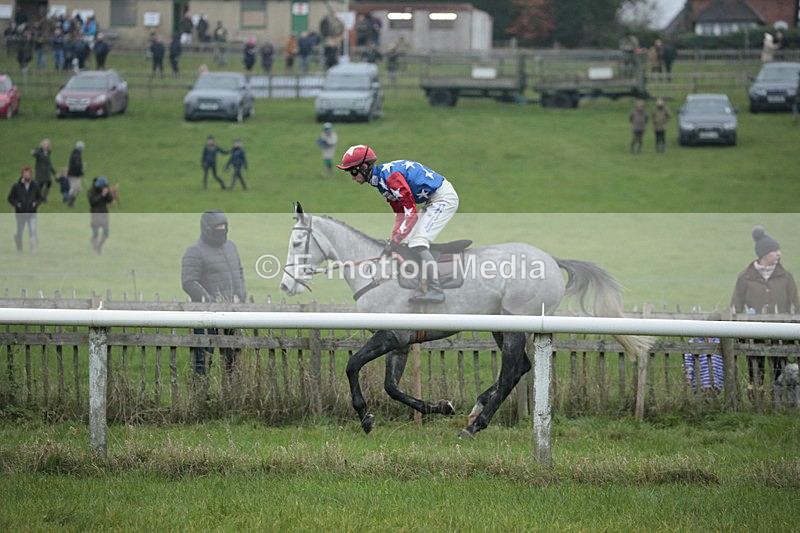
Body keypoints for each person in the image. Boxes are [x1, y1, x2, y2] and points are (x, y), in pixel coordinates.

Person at [336, 145, 459, 304]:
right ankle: (419, 283)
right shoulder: (380, 182)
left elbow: (411, 214)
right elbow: (400, 216)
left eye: (353, 171)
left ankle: (436, 290)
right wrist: (394, 239)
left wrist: (395, 240)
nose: (352, 177)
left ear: (365, 167)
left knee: (417, 243)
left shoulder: (391, 179)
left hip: (443, 199)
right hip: (431, 200)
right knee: (405, 242)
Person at [731, 226, 800, 393]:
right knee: (755, 368)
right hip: (754, 334)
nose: (779, 254)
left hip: (781, 333)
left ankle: (780, 398)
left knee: (780, 366)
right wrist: (737, 331)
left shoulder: (786, 276)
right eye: (774, 250)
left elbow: (796, 304)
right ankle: (757, 398)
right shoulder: (745, 277)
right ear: (763, 254)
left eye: (779, 250)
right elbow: (736, 305)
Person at [181, 210, 246, 375]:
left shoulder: (231, 247)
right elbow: (189, 282)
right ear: (207, 228)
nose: (222, 229)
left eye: (224, 226)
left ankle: (231, 394)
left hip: (232, 312)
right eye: (218, 226)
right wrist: (210, 302)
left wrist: (241, 295)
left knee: (233, 359)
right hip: (206, 315)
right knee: (203, 359)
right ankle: (201, 394)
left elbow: (239, 272)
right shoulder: (194, 251)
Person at [7, 166, 42, 253]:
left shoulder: (35, 186)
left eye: (28, 174)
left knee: (32, 231)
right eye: (25, 174)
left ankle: (33, 249)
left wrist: (35, 203)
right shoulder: (16, 186)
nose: (27, 176)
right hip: (20, 213)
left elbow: (40, 198)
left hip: (32, 212)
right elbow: (10, 198)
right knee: (19, 232)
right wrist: (16, 204)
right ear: (22, 175)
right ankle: (19, 249)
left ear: (31, 175)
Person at [87, 175, 113, 254]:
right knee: (95, 233)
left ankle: (99, 246)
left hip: (104, 214)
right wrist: (102, 195)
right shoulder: (91, 191)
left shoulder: (105, 188)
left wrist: (107, 193)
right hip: (95, 214)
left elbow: (110, 200)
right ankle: (95, 248)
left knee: (106, 233)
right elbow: (92, 202)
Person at [66, 140, 85, 207]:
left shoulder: (76, 153)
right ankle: (69, 202)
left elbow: (78, 164)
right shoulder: (76, 155)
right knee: (74, 188)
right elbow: (77, 165)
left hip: (76, 175)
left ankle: (71, 201)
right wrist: (81, 171)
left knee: (79, 189)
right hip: (73, 175)